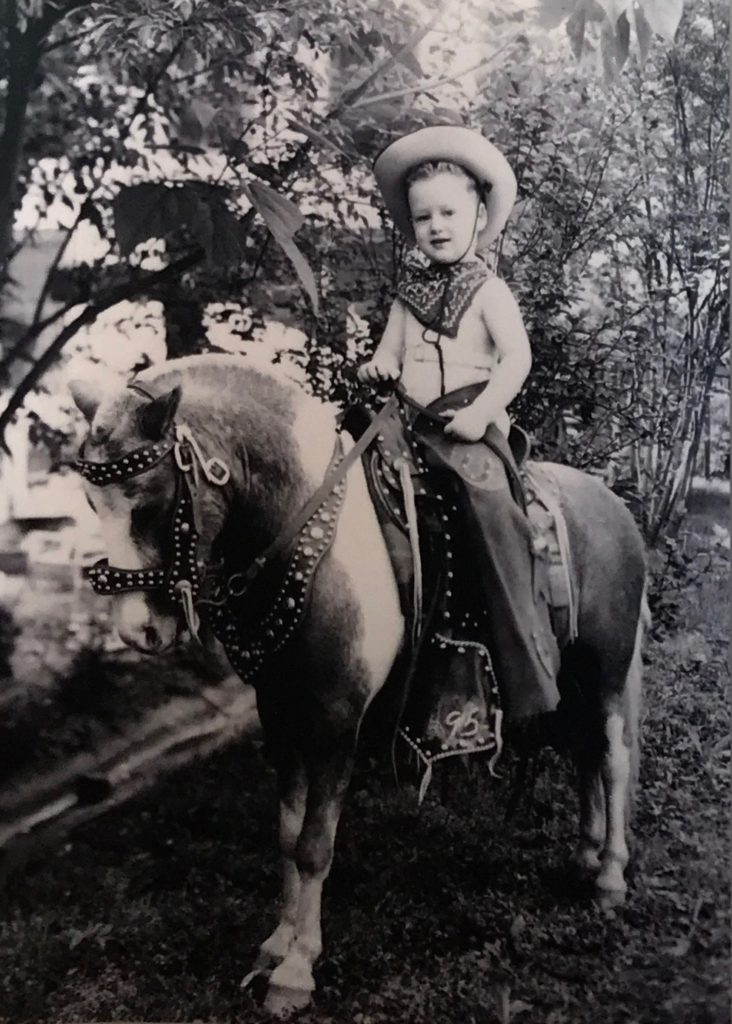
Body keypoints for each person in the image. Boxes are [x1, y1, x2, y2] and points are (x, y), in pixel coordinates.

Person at [357, 125, 560, 721]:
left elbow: (517, 359)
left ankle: (522, 666)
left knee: (488, 506)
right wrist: (378, 366)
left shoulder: (489, 291)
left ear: (479, 217)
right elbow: (389, 355)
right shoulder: (408, 296)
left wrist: (478, 414)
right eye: (424, 217)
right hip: (408, 425)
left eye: (449, 212)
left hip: (469, 425)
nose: (437, 226)